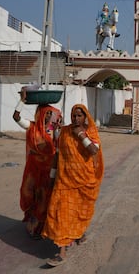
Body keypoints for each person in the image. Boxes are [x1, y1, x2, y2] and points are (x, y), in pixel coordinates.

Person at [42, 104, 104, 267]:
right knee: (61, 213)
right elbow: (57, 154)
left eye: (79, 116)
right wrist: (52, 175)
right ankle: (61, 252)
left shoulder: (90, 132)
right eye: (74, 116)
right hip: (64, 180)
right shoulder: (64, 132)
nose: (76, 119)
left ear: (85, 117)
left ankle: (78, 232)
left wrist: (81, 135)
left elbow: (93, 151)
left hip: (85, 181)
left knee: (80, 212)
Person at [13, 88, 62, 239]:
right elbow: (16, 117)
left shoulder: (54, 130)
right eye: (46, 113)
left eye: (50, 113)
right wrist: (22, 100)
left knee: (44, 197)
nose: (49, 116)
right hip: (33, 169)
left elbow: (60, 145)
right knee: (30, 194)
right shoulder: (31, 127)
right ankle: (33, 225)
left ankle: (42, 228)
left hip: (48, 170)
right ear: (40, 114)